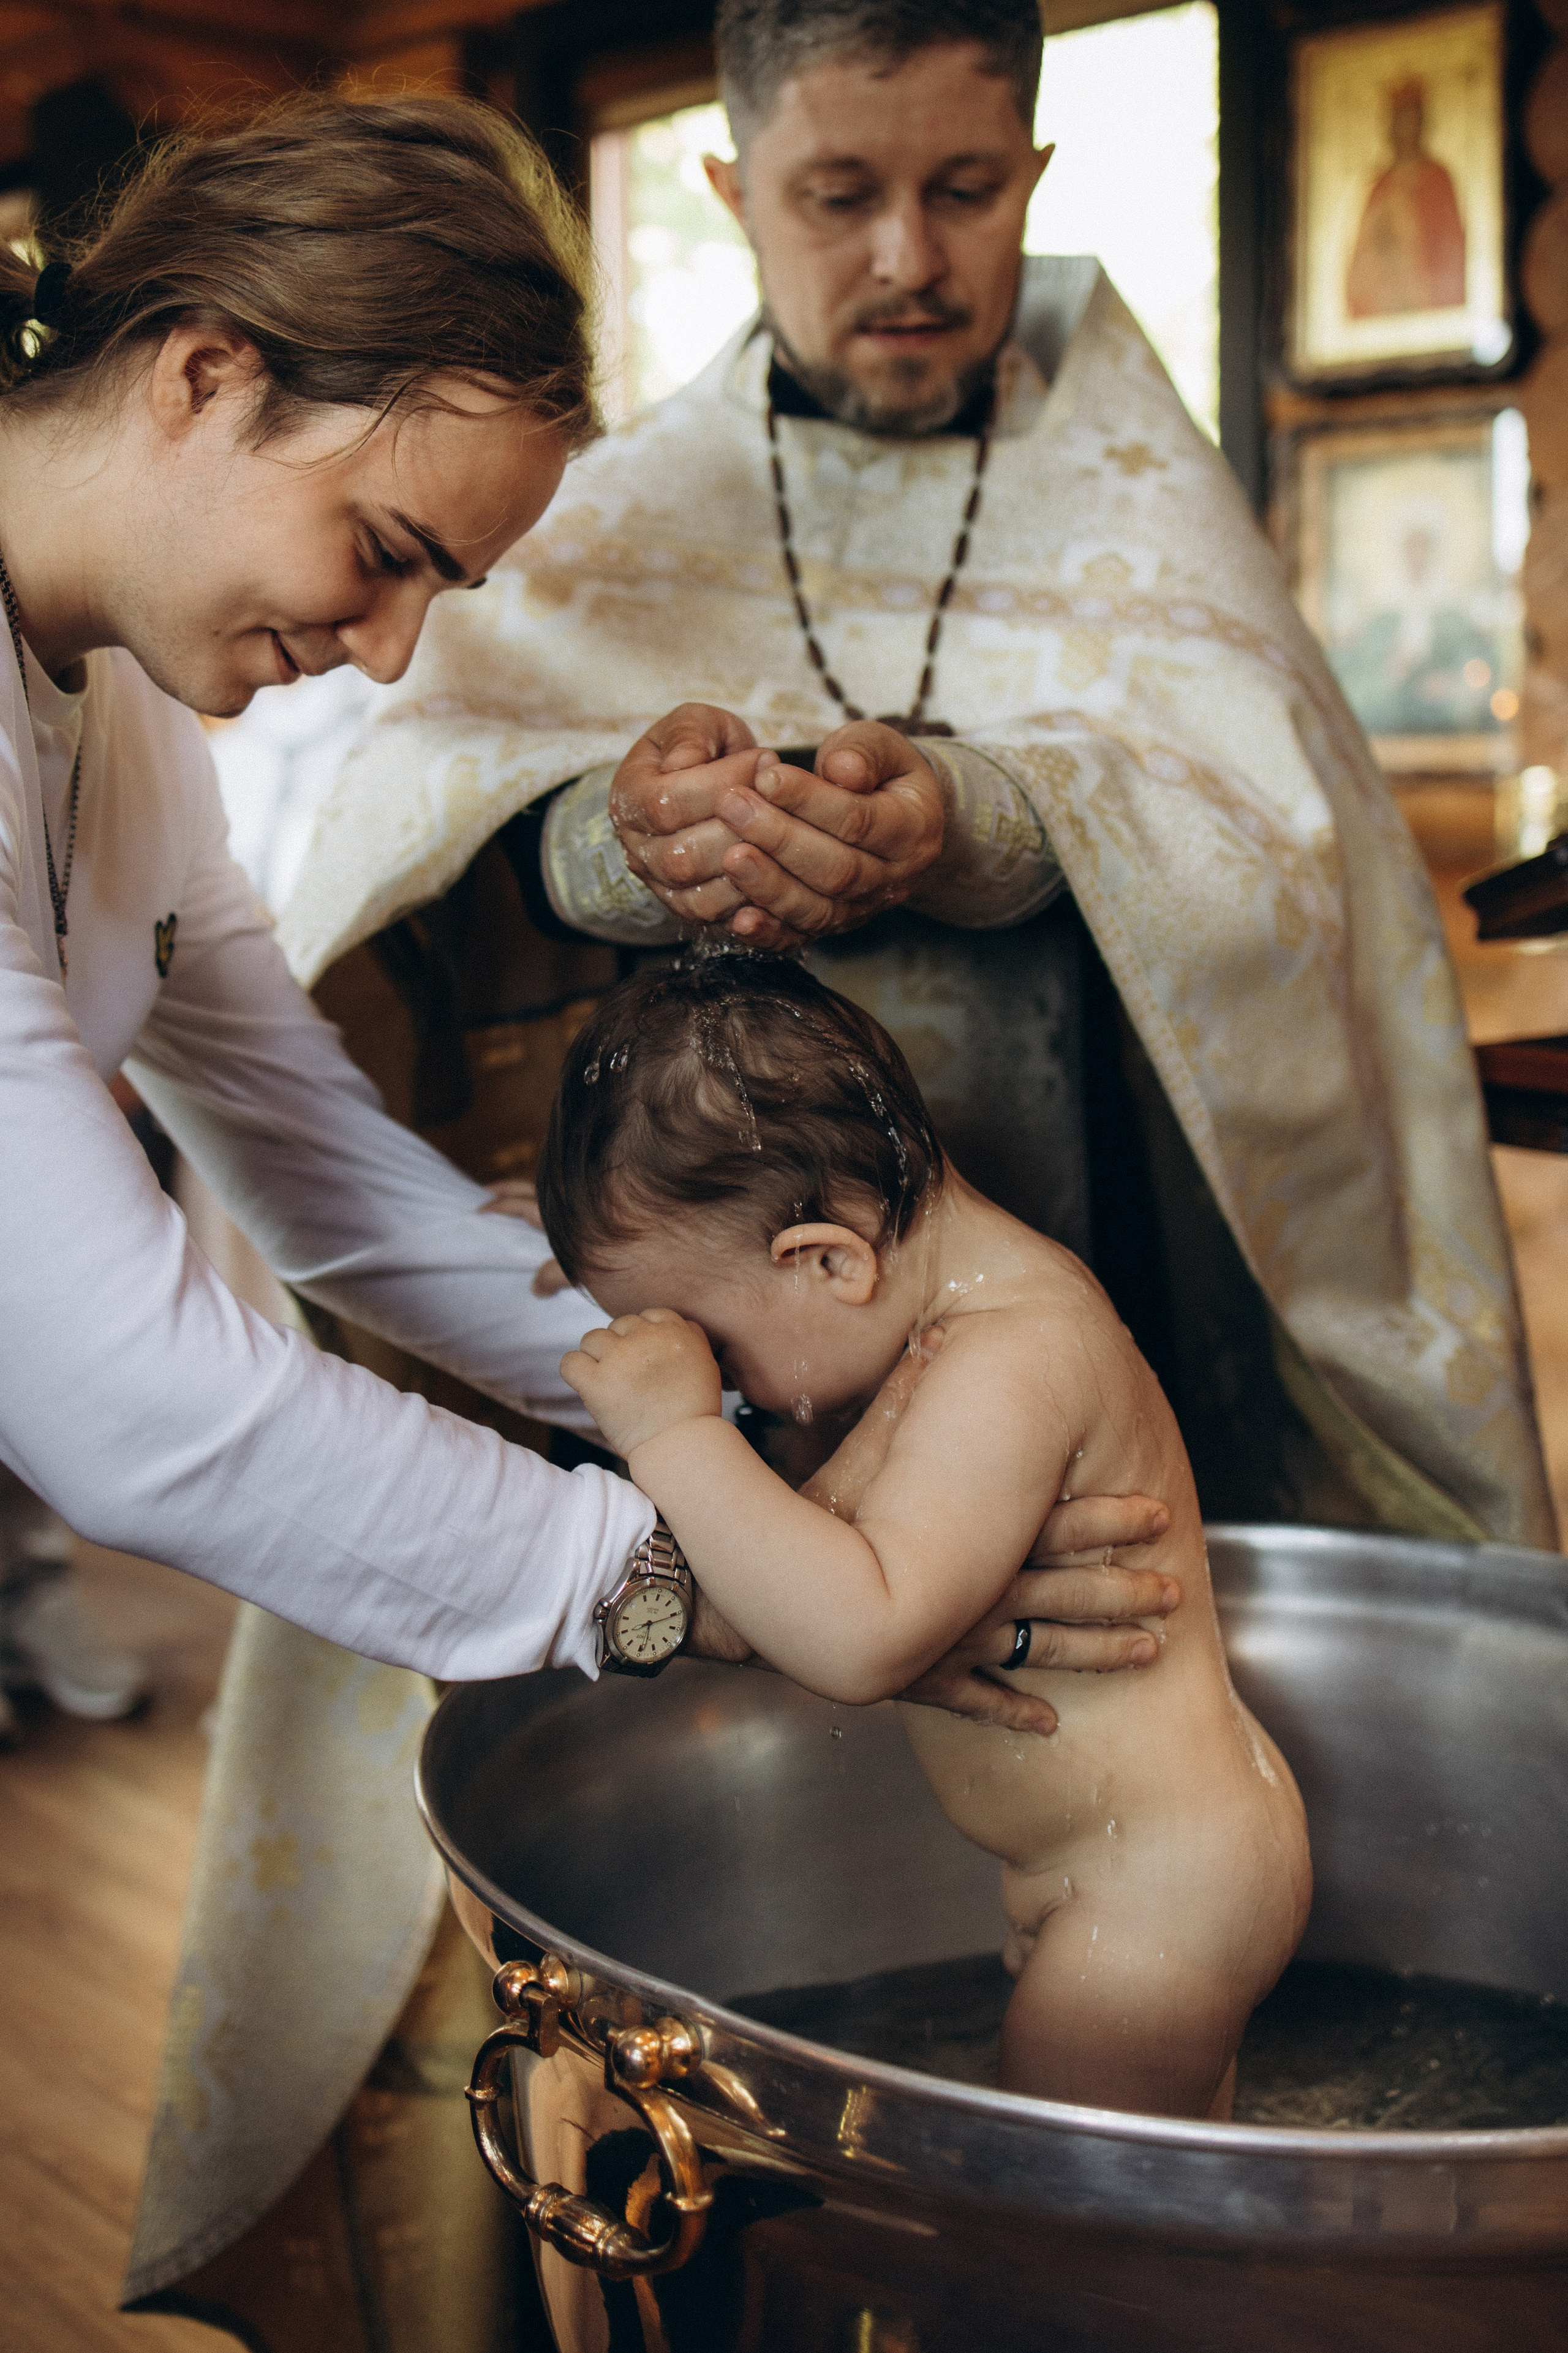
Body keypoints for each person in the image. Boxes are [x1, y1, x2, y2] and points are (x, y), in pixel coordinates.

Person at [291, 0, 1553, 1559]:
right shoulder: (607, 513)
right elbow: (419, 841)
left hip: (1093, 1254)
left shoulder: (1143, 504)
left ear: (1032, 172)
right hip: (710, 1284)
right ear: (732, 191)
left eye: (964, 191)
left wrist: (984, 825)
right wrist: (621, 842)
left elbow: (1282, 874)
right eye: (837, 196)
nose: (906, 257)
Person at [543, 954, 1313, 2118]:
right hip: (1126, 1870)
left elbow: (863, 1636)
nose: (726, 1384)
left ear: (828, 1259)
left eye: (717, 1347)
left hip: (1155, 1891)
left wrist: (674, 1433)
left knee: (1050, 2212)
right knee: (1156, 2192)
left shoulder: (1010, 1361)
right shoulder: (963, 1317)